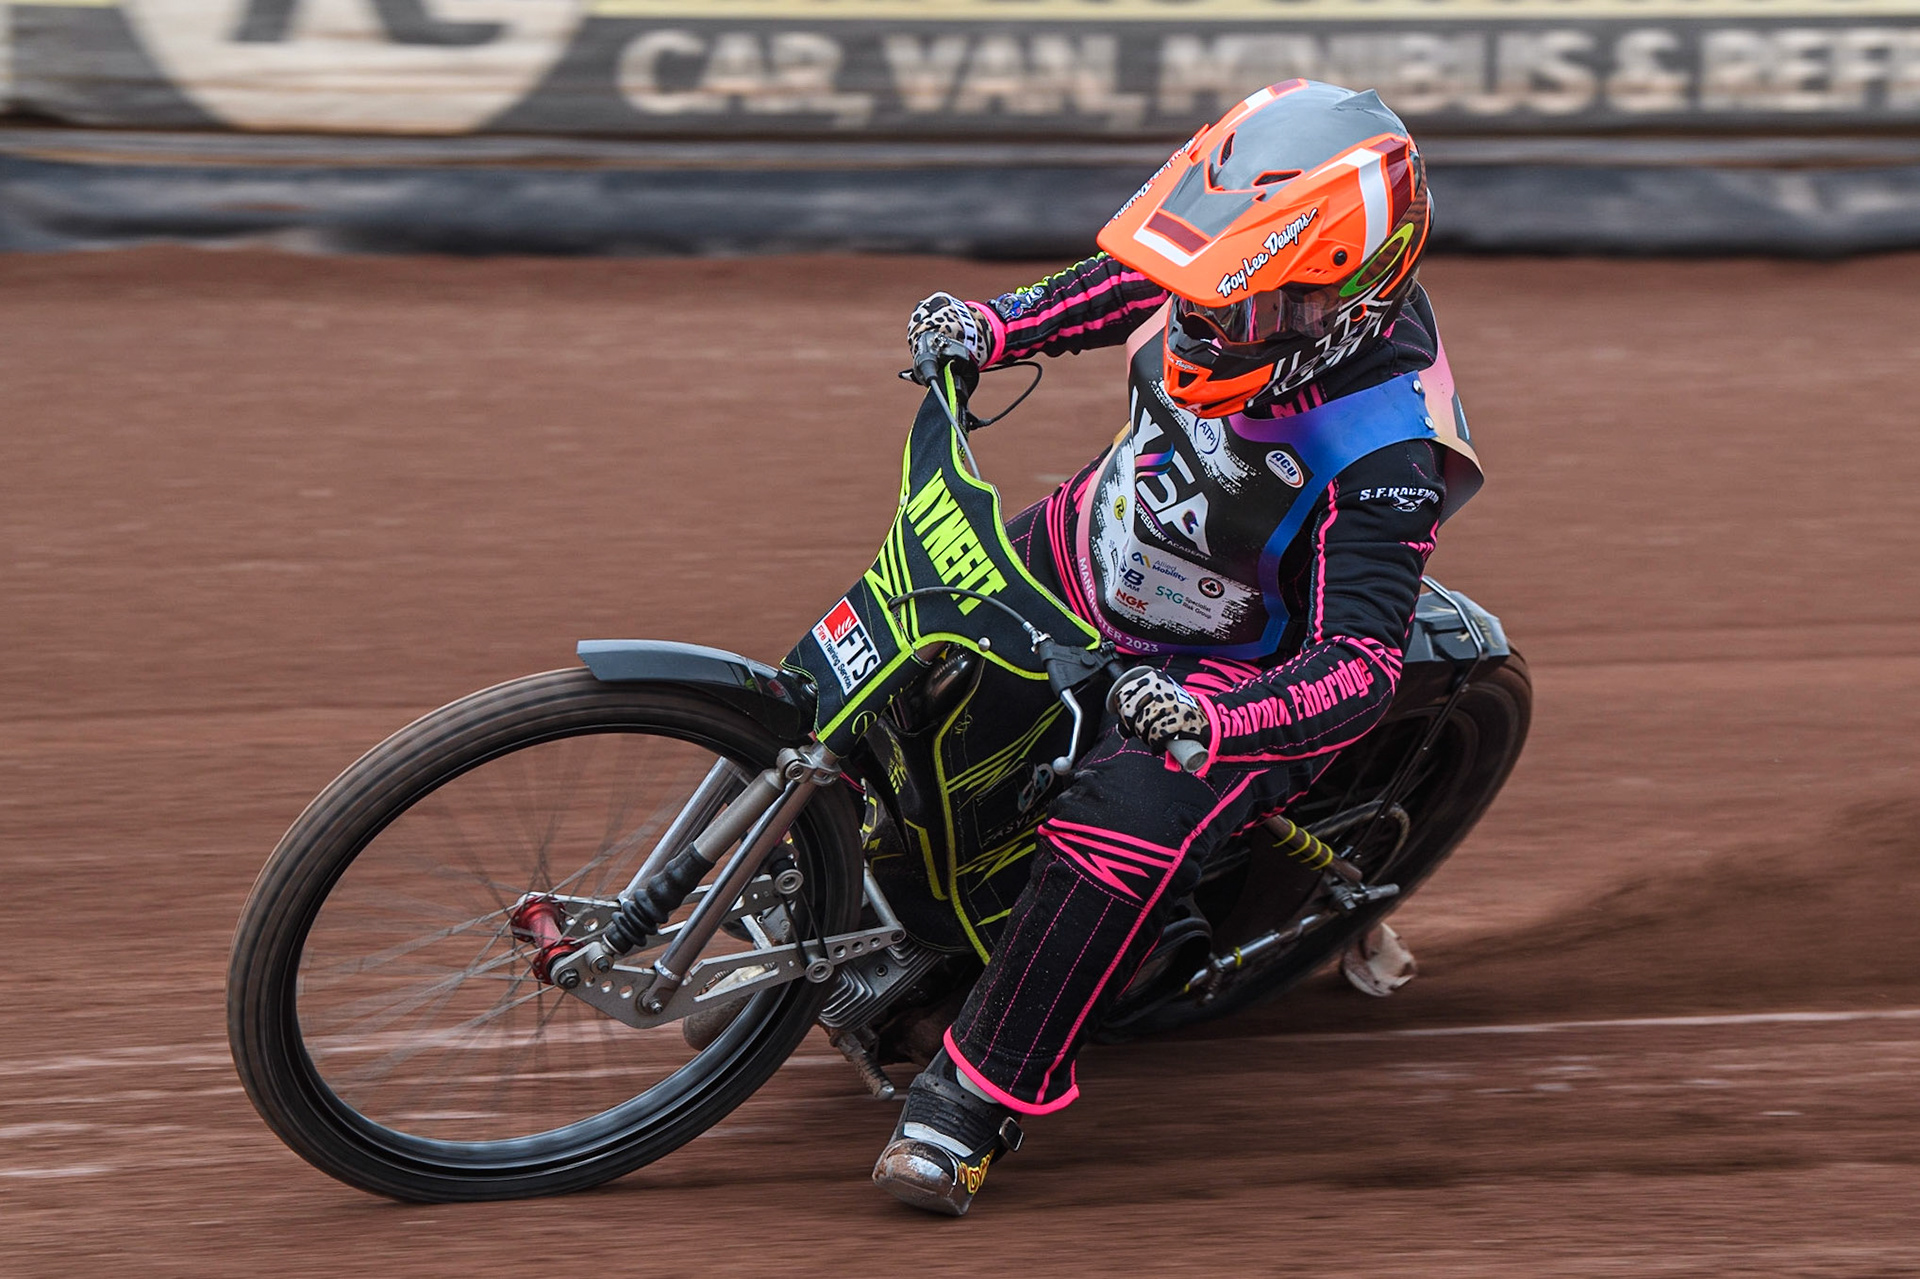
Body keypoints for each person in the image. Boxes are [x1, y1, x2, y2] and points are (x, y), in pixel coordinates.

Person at [872, 79, 1484, 1216]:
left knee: (1115, 828)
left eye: (1236, 312)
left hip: (1240, 670)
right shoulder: (1245, 275)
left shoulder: (1387, 451)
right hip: (1095, 542)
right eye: (1203, 295)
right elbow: (1136, 279)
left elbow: (1360, 672)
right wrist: (997, 325)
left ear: (1345, 303)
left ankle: (972, 1101)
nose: (1202, 324)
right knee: (905, 641)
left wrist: (1215, 721)